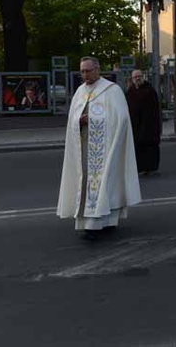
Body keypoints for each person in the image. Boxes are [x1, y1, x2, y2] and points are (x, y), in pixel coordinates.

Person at [57, 56, 142, 240]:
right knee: (86, 182)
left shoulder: (112, 90)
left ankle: (102, 223)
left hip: (106, 149)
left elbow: (121, 120)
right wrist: (78, 120)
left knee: (106, 184)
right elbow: (72, 118)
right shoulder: (80, 91)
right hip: (84, 145)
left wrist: (94, 120)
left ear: (98, 69)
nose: (85, 74)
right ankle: (90, 222)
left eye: (88, 70)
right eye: (82, 71)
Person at [126, 70, 162, 175]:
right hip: (134, 125)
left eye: (139, 76)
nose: (137, 78)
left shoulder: (149, 91)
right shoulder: (130, 91)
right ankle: (139, 168)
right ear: (132, 79)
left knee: (149, 148)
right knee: (137, 149)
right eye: (135, 77)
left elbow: (154, 111)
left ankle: (150, 168)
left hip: (148, 125)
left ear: (143, 77)